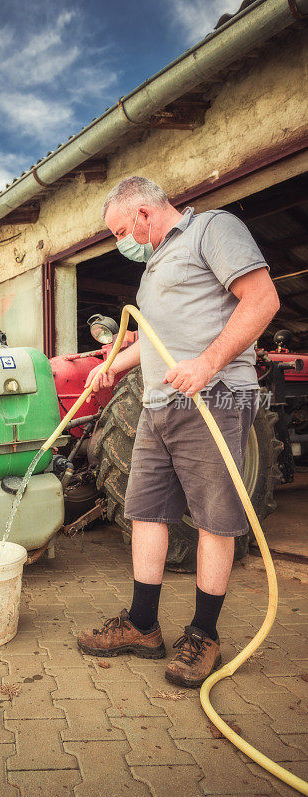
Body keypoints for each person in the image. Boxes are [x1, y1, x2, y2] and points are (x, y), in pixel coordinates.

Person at [77, 176, 280, 687]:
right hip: (157, 405)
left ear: (144, 214)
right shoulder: (155, 266)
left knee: (215, 520)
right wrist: (118, 364)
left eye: (123, 230)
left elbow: (262, 301)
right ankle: (143, 626)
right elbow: (157, 339)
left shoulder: (213, 230)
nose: (123, 241)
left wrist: (207, 363)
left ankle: (203, 635)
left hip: (212, 399)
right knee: (145, 511)